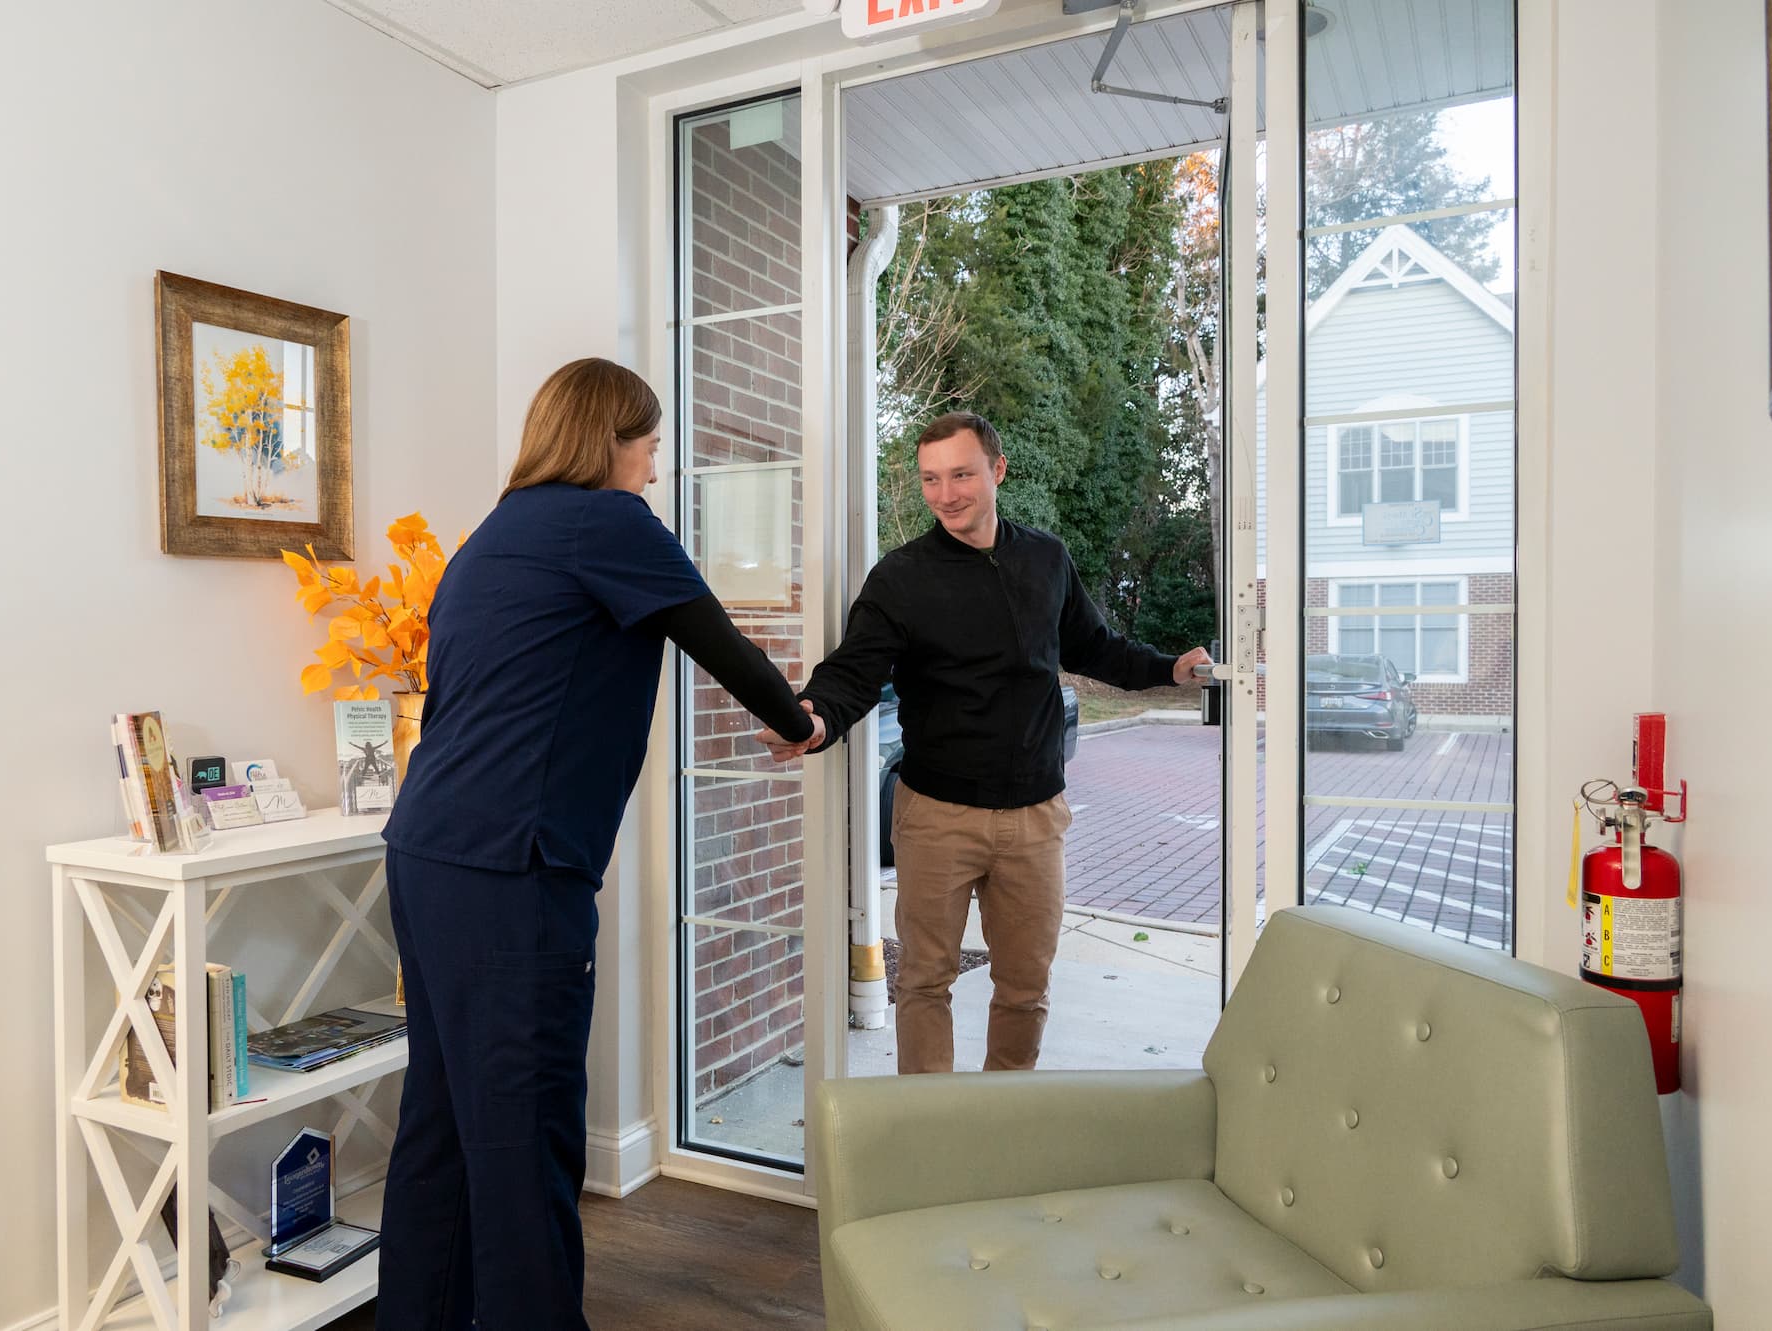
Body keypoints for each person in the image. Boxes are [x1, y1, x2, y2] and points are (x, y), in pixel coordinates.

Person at [379, 358, 822, 1331]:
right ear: (608, 438)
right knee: (526, 1144)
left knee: (443, 1126)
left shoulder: (488, 537)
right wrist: (799, 722)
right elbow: (722, 642)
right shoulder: (607, 523)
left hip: (422, 851)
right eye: (648, 444)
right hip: (511, 869)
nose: (652, 468)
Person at [762, 411, 1209, 1075]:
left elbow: (1096, 648)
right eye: (932, 479)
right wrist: (814, 718)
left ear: (997, 471)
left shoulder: (1046, 559)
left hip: (1035, 817)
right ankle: (930, 1133)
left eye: (962, 474)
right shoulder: (902, 577)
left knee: (1025, 987)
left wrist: (1167, 667)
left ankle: (1000, 1120)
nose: (946, 493)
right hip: (936, 815)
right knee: (924, 983)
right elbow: (853, 669)